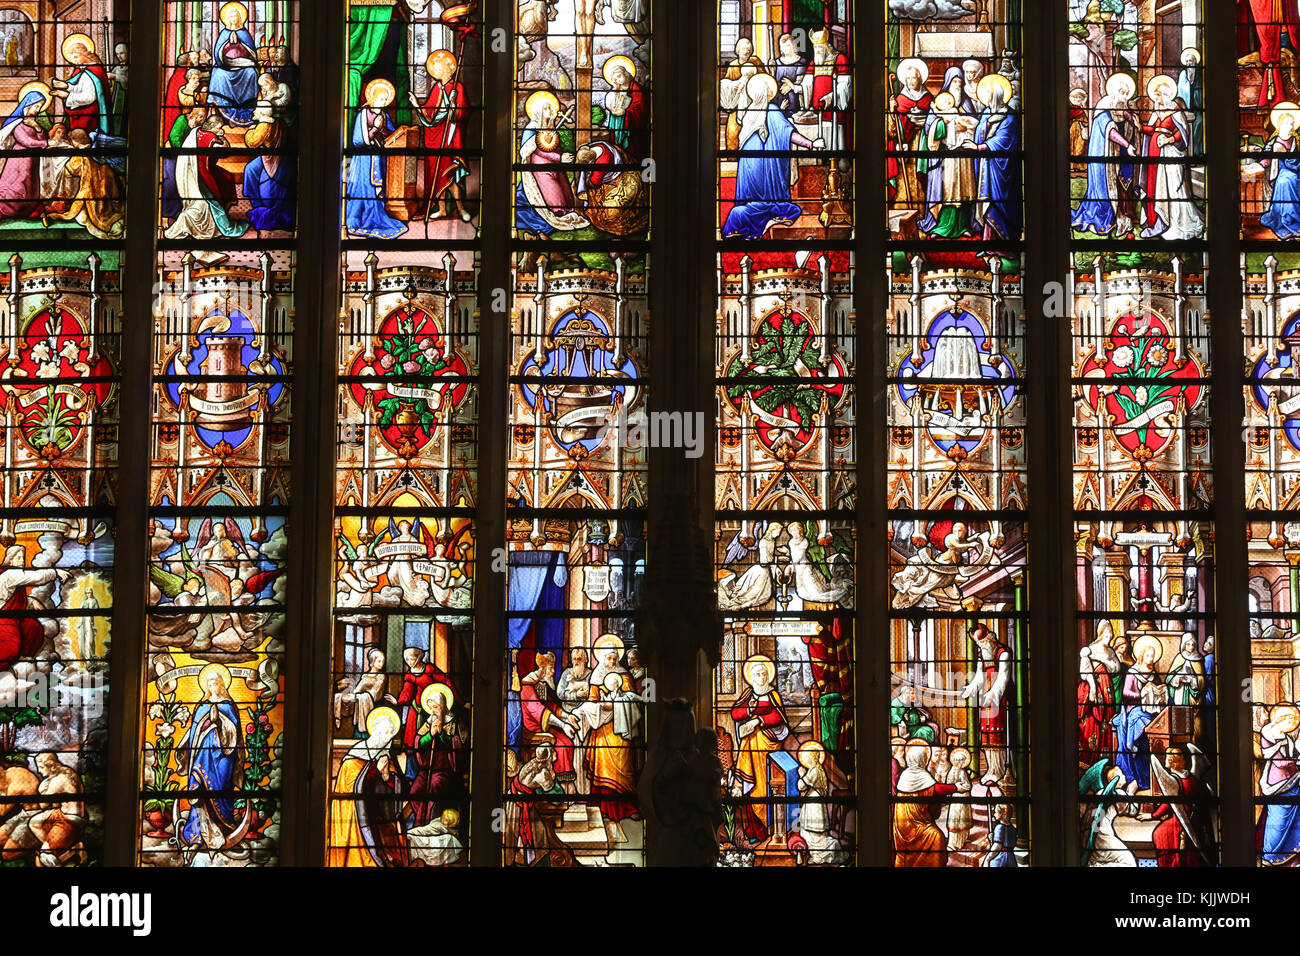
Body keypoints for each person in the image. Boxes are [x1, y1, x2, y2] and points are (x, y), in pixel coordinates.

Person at [721, 73, 823, 239]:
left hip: (748, 172)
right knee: (786, 208)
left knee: (746, 206)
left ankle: (750, 223)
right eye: (769, 90)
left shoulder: (749, 114)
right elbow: (788, 133)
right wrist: (811, 144)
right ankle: (769, 218)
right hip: (767, 171)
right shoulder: (772, 110)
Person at [177, 664, 250, 855]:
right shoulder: (201, 707)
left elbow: (235, 734)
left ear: (222, 685)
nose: (213, 686)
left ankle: (225, 829)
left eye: (216, 683)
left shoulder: (228, 706)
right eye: (210, 683)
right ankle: (197, 836)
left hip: (223, 757)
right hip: (201, 757)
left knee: (220, 790)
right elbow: (193, 732)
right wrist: (206, 722)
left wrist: (220, 721)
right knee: (199, 792)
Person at [327, 706, 409, 866]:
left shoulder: (386, 756)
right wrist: (375, 771)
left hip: (377, 815)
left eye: (391, 734)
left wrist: (386, 777)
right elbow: (352, 787)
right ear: (377, 731)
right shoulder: (355, 756)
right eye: (386, 732)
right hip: (355, 815)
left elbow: (396, 789)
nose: (388, 737)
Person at [729, 654, 788, 845]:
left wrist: (757, 720)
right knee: (750, 787)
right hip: (750, 750)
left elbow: (778, 717)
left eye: (764, 674)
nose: (762, 677)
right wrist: (748, 712)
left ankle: (769, 829)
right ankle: (754, 830)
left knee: (765, 788)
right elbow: (735, 712)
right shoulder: (749, 694)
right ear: (752, 677)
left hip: (767, 749)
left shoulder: (773, 694)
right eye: (758, 674)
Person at [165, 110, 249, 240]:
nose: (221, 129)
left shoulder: (196, 131)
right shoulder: (212, 140)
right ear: (212, 127)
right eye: (219, 127)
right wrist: (222, 137)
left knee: (226, 177)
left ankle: (223, 210)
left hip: (192, 172)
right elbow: (225, 151)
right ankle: (223, 225)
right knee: (212, 200)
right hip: (201, 175)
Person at [1073, 73, 1139, 237]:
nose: (1124, 97)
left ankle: (1125, 215)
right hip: (1105, 159)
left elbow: (1124, 116)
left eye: (1126, 93)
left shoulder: (1123, 109)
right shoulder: (1104, 109)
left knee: (1126, 184)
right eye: (1122, 93)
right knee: (1108, 188)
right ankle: (1110, 217)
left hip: (1123, 155)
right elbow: (1111, 132)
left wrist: (1132, 119)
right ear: (1115, 92)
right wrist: (1127, 145)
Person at [514, 90, 588, 236]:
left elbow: (555, 147)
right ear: (538, 111)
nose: (550, 110)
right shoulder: (531, 129)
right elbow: (536, 151)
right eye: (546, 108)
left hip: (556, 169)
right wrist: (559, 158)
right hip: (540, 171)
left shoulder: (550, 128)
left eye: (550, 107)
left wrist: (561, 157)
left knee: (567, 201)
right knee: (557, 206)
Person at [1138, 76, 1202, 240]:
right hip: (1154, 153)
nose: (1156, 99)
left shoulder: (1175, 111)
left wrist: (1169, 140)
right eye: (1155, 95)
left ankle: (1174, 222)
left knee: (1172, 186)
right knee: (1154, 185)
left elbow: (1182, 133)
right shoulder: (1156, 112)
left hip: (1170, 153)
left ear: (1167, 95)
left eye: (1159, 95)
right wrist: (1140, 127)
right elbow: (1152, 130)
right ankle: (1156, 221)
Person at [413, 50, 471, 223]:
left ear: (449, 69)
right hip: (435, 138)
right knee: (437, 175)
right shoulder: (436, 89)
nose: (437, 71)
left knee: (450, 174)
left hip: (450, 137)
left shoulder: (457, 88)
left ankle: (461, 209)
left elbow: (463, 114)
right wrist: (417, 105)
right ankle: (442, 209)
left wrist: (453, 104)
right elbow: (430, 114)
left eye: (439, 68)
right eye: (435, 69)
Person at [345, 79, 407, 239]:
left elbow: (391, 135)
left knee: (377, 188)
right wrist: (375, 129)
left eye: (386, 99)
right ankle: (357, 219)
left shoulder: (384, 115)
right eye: (381, 99)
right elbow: (358, 141)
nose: (384, 102)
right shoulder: (362, 115)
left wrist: (383, 129)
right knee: (364, 186)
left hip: (378, 158)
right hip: (364, 160)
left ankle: (376, 214)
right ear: (372, 98)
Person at [47, 129, 125, 239]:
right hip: (110, 188)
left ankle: (109, 232)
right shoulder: (97, 147)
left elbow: (69, 170)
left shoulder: (81, 157)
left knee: (82, 218)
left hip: (93, 194)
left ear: (76, 142)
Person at [961, 624, 1014, 784]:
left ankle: (999, 770)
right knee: (987, 732)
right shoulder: (982, 654)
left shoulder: (1003, 652)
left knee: (998, 733)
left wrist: (992, 695)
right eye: (978, 643)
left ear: (990, 638)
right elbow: (979, 676)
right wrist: (970, 689)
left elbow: (1003, 678)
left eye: (982, 642)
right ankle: (991, 770)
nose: (980, 646)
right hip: (986, 696)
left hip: (1002, 697)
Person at [892, 739, 956, 866]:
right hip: (915, 827)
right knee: (937, 837)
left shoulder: (905, 776)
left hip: (902, 828)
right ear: (922, 759)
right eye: (925, 757)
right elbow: (936, 789)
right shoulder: (920, 776)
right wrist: (955, 788)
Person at [973, 74, 1021, 242]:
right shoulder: (987, 112)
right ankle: (988, 242)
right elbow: (979, 133)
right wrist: (986, 124)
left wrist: (980, 147)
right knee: (988, 201)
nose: (987, 97)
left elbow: (1004, 140)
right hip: (987, 165)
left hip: (1003, 168)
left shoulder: (1011, 116)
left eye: (990, 94)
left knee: (1001, 202)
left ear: (998, 96)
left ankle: (1006, 244)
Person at [1112, 634, 1162, 791]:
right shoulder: (1133, 672)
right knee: (1138, 723)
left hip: (1152, 711)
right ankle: (1132, 746)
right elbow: (1126, 693)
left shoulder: (1155, 674)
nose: (1150, 658)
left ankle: (1146, 779)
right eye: (1148, 655)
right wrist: (1143, 695)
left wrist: (1161, 694)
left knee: (1152, 731)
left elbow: (1160, 691)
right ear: (1141, 655)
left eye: (1152, 656)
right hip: (1133, 709)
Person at [0, 84, 50, 222]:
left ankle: (26, 209)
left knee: (30, 185)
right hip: (18, 160)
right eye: (36, 106)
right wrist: (44, 144)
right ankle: (7, 209)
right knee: (17, 185)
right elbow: (26, 141)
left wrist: (37, 128)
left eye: (39, 107)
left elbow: (42, 138)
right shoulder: (18, 123)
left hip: (32, 160)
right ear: (28, 104)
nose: (37, 109)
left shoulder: (34, 123)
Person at [1259, 703, 1300, 865]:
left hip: (1293, 784)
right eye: (1287, 721)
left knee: (1296, 822)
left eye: (1292, 721)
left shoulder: (1288, 738)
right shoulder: (1268, 736)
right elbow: (1279, 762)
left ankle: (1293, 860)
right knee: (1277, 824)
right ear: (1279, 720)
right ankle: (1270, 858)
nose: (1290, 725)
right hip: (1278, 785)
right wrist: (1295, 764)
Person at [795, 741, 847, 864]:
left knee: (814, 833)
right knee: (811, 833)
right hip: (815, 804)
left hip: (814, 806)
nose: (806, 759)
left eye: (807, 756)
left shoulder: (814, 771)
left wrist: (801, 775)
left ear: (812, 757)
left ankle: (821, 856)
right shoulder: (818, 769)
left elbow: (801, 786)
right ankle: (817, 856)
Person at [209, 1, 259, 124]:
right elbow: (217, 53)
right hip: (225, 66)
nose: (233, 18)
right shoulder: (224, 34)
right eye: (231, 16)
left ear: (240, 17)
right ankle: (222, 113)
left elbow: (252, 53)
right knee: (218, 75)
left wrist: (240, 43)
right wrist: (227, 43)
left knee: (252, 73)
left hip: (244, 66)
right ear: (227, 19)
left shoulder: (244, 33)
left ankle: (248, 108)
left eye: (236, 15)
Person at [51, 34, 109, 135]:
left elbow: (89, 97)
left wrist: (67, 96)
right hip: (85, 111)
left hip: (88, 115)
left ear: (84, 54)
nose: (74, 61)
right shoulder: (85, 70)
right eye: (73, 59)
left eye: (76, 57)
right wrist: (67, 86)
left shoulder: (92, 71)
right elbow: (81, 88)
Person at [1259, 102, 1300, 239]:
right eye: (1287, 123)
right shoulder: (1273, 140)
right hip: (1281, 171)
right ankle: (1285, 218)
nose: (1290, 126)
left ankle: (1294, 217)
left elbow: (1296, 160)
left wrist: (1291, 159)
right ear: (1280, 124)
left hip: (1295, 168)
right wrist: (1264, 162)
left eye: (1292, 123)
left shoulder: (1295, 140)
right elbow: (1267, 154)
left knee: (1292, 178)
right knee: (1284, 181)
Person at [719, 38, 766, 151]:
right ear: (738, 50)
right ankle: (733, 158)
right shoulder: (733, 65)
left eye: (749, 49)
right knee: (732, 131)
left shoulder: (756, 62)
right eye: (744, 49)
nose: (746, 52)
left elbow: (765, 79)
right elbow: (726, 85)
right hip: (736, 105)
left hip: (755, 105)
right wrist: (733, 86)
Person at [602, 55, 646, 162]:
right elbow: (610, 104)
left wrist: (626, 112)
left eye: (619, 76)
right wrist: (615, 89)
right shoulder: (617, 89)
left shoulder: (635, 89)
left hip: (629, 125)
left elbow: (640, 108)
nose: (617, 79)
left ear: (626, 75)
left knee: (629, 150)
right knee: (616, 145)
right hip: (616, 122)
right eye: (615, 78)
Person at [772, 33, 807, 116]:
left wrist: (790, 86)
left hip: (794, 98)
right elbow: (774, 80)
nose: (785, 49)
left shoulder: (800, 62)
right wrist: (771, 70)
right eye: (783, 46)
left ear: (793, 46)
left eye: (787, 45)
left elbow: (800, 83)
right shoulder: (777, 62)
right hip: (778, 98)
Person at [945, 748, 973, 850]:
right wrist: (961, 786)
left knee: (962, 819)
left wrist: (963, 786)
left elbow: (967, 785)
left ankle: (963, 839)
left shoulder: (961, 771)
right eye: (961, 761)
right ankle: (954, 843)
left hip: (963, 797)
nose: (962, 763)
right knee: (956, 820)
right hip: (957, 798)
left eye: (963, 761)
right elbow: (951, 785)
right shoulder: (956, 772)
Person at [982, 802, 1018, 867]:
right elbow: (1008, 842)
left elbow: (997, 846)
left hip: (1001, 859)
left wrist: (987, 859)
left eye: (996, 812)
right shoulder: (1012, 828)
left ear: (1002, 814)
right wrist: (993, 839)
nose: (994, 814)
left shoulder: (999, 827)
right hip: (1011, 858)